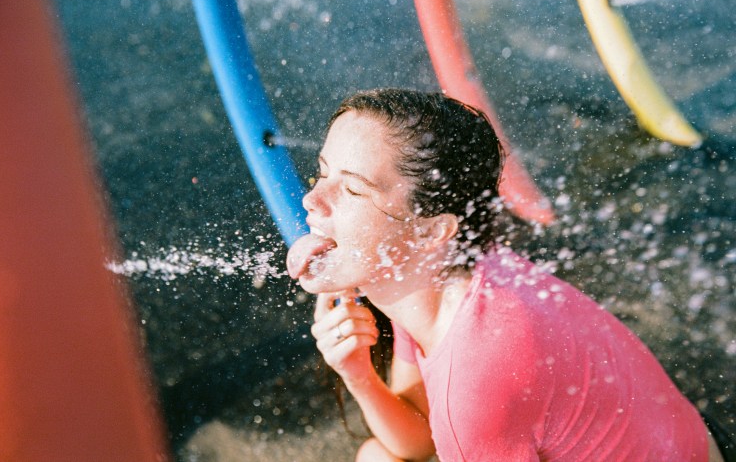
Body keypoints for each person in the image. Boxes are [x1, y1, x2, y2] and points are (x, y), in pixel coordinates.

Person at [286, 88, 731, 461]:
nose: (312, 199)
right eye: (323, 172)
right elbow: (420, 438)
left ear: (430, 230)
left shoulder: (477, 376)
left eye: (352, 189)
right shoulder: (440, 277)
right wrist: (357, 373)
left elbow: (447, 428)